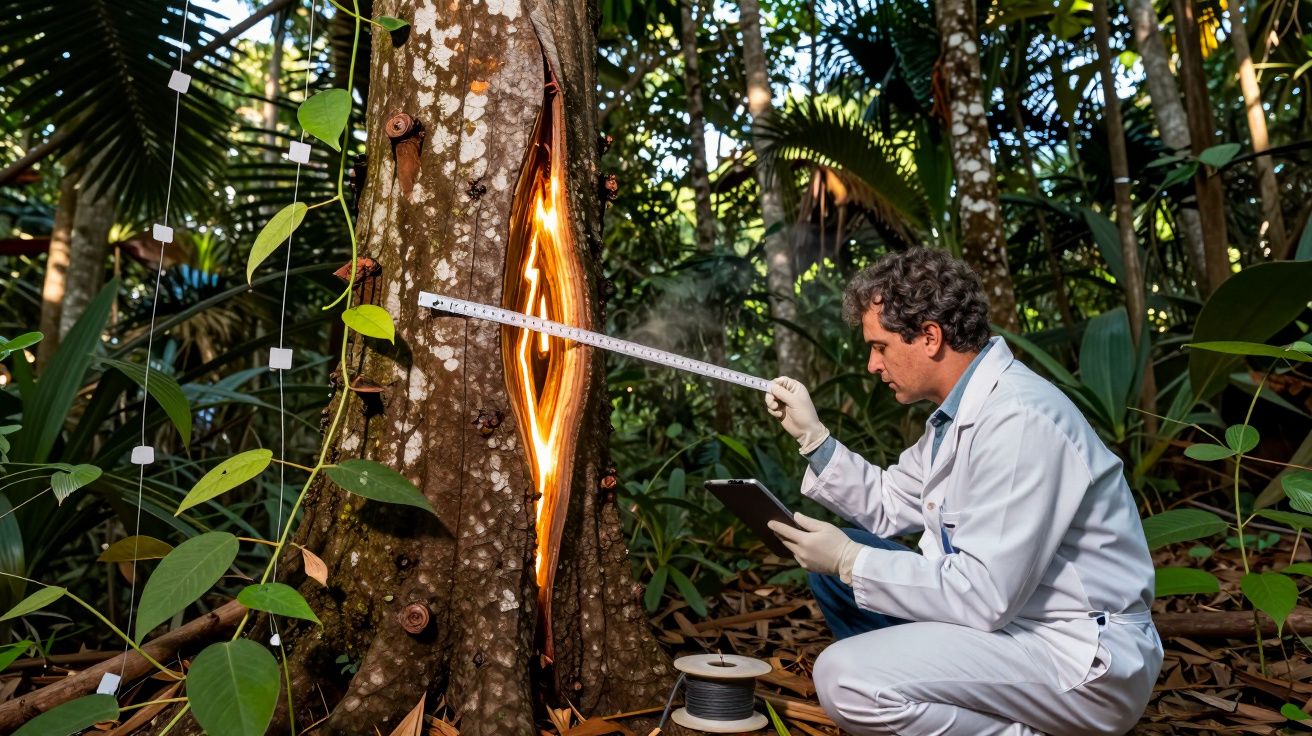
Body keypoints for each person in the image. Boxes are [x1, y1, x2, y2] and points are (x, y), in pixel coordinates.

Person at [763, 248, 1161, 736]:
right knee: (838, 575)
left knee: (844, 677)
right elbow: (889, 501)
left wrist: (850, 559)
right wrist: (814, 439)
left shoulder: (1019, 419)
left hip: (1073, 651)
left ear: (930, 337)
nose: (871, 364)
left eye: (880, 346)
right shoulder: (959, 415)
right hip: (1011, 621)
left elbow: (984, 594)